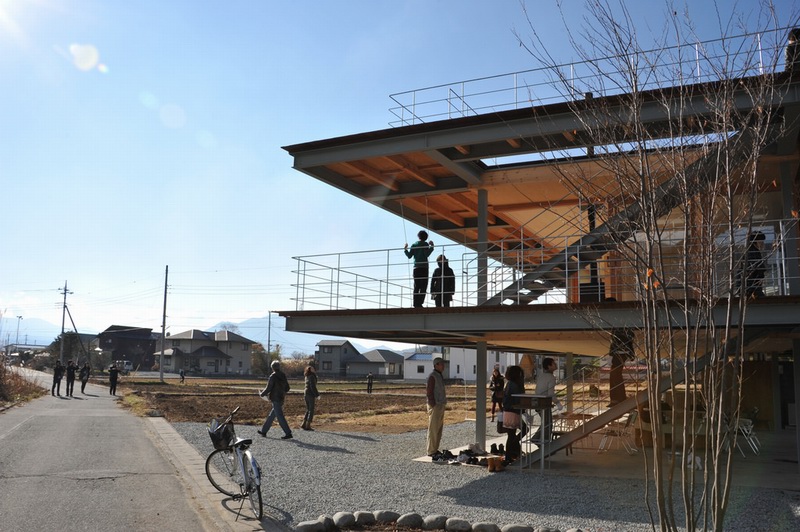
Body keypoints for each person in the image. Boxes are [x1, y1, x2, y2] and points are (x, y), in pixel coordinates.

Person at [258, 360, 293, 440]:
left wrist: (262, 394)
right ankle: (264, 431)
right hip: (281, 398)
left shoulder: (272, 376)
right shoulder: (283, 375)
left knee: (280, 416)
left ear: (272, 368)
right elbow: (287, 388)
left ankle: (288, 433)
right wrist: (282, 392)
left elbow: (268, 388)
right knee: (272, 415)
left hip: (275, 398)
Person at [532, 357, 562, 442]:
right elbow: (551, 393)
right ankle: (543, 442)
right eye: (553, 364)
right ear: (549, 366)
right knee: (548, 424)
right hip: (544, 403)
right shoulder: (551, 377)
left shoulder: (541, 376)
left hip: (536, 401)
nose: (556, 365)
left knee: (545, 422)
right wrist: (557, 403)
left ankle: (536, 438)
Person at [404, 230, 434, 308]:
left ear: (418, 236)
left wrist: (405, 249)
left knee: (416, 286)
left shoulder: (414, 245)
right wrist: (432, 247)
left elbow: (409, 256)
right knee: (423, 286)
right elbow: (427, 254)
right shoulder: (425, 244)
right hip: (424, 267)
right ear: (426, 237)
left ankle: (415, 303)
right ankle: (420, 303)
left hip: (416, 268)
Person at [502, 365, 525, 464]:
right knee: (522, 430)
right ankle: (512, 449)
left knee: (511, 435)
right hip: (513, 411)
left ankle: (510, 455)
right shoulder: (514, 385)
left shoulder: (509, 383)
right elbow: (518, 399)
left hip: (508, 411)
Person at [425, 357, 447, 456]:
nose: (443, 366)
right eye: (441, 364)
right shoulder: (432, 376)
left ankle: (435, 449)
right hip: (435, 405)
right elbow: (429, 391)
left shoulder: (439, 375)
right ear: (436, 365)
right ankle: (431, 450)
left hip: (441, 404)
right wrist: (433, 404)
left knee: (438, 429)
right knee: (433, 429)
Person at [741, 231, 767, 298]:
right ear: (755, 242)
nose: (762, 244)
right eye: (761, 241)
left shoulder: (750, 251)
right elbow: (754, 269)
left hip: (751, 286)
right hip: (752, 286)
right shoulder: (753, 252)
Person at [301, 365, 320, 431]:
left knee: (308, 409)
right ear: (310, 370)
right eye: (312, 368)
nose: (313, 369)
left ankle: (303, 423)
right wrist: (317, 395)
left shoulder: (307, 376)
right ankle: (308, 425)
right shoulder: (312, 376)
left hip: (306, 393)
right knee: (311, 410)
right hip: (310, 394)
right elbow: (312, 386)